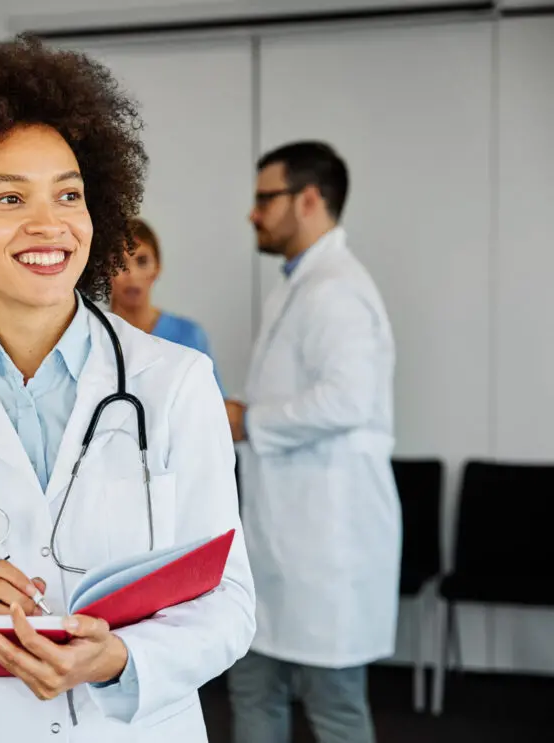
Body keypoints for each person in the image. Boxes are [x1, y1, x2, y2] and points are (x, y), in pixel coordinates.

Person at [0, 36, 256, 743]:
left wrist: (121, 656)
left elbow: (230, 604)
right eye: (9, 197)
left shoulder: (175, 382)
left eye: (68, 193)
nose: (49, 224)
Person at [224, 141, 400, 743]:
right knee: (253, 690)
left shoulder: (337, 289)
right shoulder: (299, 282)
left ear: (308, 199)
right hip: (283, 540)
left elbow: (349, 399)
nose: (253, 213)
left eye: (263, 199)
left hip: (328, 544)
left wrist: (249, 421)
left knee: (334, 709)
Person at [110, 216, 226, 394]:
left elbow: (212, 408)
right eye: (119, 263)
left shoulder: (188, 335)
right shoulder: (92, 336)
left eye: (142, 261)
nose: (131, 274)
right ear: (104, 271)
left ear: (157, 267)